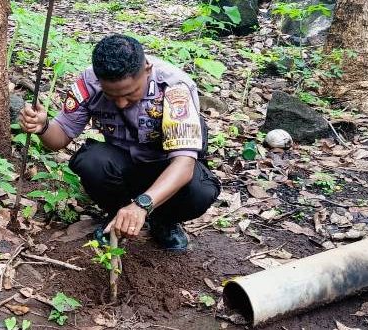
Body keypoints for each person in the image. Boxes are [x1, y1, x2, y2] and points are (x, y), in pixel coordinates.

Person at [19, 34, 220, 251]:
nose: (122, 103)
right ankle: (117, 214)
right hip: (124, 166)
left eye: (130, 93)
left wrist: (142, 205)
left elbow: (184, 164)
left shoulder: (173, 87)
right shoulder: (89, 82)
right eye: (112, 96)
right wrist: (43, 127)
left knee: (201, 191)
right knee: (91, 161)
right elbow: (60, 137)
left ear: (147, 70)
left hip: (167, 169)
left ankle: (164, 221)